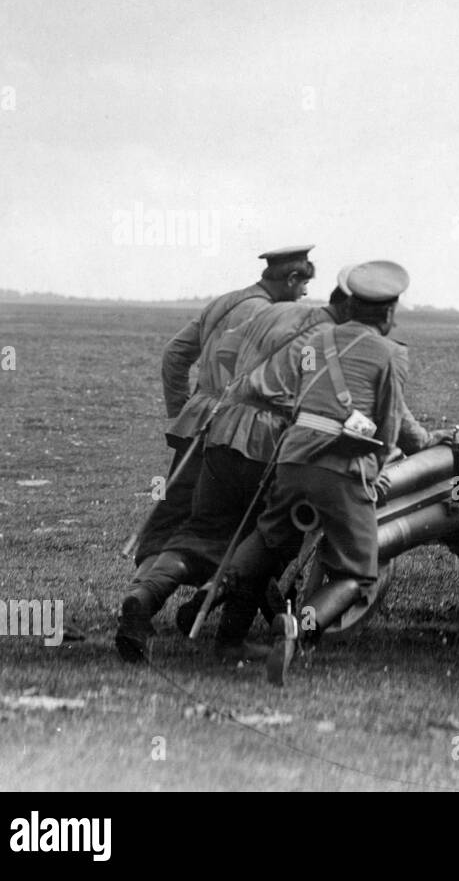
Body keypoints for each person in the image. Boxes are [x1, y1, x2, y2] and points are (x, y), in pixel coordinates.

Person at [116, 269, 347, 662]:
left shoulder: (263, 314)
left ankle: (143, 596)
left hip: (219, 432)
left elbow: (196, 356)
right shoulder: (330, 338)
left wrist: (186, 413)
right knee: (270, 539)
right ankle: (229, 637)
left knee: (199, 531)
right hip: (268, 443)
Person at [212, 260, 416, 683]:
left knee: (268, 541)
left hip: (291, 459)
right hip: (340, 467)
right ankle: (299, 627)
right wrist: (373, 470)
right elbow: (390, 423)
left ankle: (227, 633)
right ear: (389, 312)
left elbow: (304, 400)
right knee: (358, 573)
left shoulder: (317, 342)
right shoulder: (390, 354)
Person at [131, 247, 315, 571]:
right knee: (239, 522)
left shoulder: (223, 301)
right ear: (290, 279)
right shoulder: (272, 315)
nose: (305, 293)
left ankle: (141, 596)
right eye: (302, 284)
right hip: (237, 429)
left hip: (195, 422)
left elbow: (174, 355)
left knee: (172, 513)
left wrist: (181, 414)